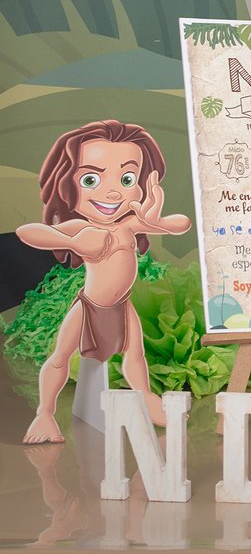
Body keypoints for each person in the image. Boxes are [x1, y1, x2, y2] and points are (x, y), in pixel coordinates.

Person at [17, 120, 191, 443]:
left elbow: (180, 224)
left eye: (127, 179)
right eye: (91, 179)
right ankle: (45, 413)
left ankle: (147, 399)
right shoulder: (82, 230)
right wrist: (72, 242)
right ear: (69, 186)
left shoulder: (129, 225)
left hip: (122, 308)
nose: (112, 192)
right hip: (90, 307)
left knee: (135, 355)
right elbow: (27, 232)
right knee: (60, 356)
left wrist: (155, 222)